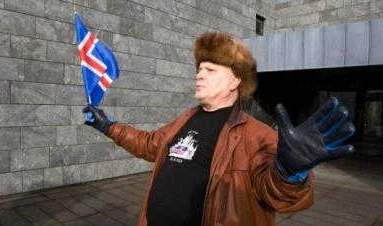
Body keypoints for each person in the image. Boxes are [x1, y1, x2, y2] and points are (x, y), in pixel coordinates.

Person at [83, 32, 355, 226]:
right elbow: (149, 144)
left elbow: (280, 198)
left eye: (210, 69)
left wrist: (289, 174)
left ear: (235, 80)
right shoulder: (186, 118)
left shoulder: (258, 135)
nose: (199, 74)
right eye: (199, 69)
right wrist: (108, 126)